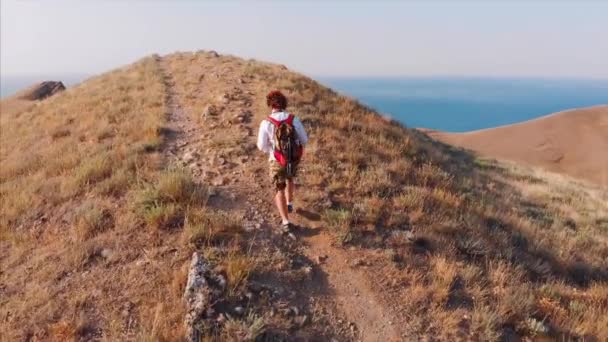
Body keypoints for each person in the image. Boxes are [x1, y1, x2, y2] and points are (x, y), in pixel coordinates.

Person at [257, 90, 308, 230]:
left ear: (270, 104)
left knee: (279, 189)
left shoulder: (266, 122)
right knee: (290, 178)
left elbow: (261, 146)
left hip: (276, 160)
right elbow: (304, 139)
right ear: (284, 103)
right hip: (292, 158)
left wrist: (273, 151)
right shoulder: (293, 119)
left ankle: (286, 222)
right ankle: (289, 203)